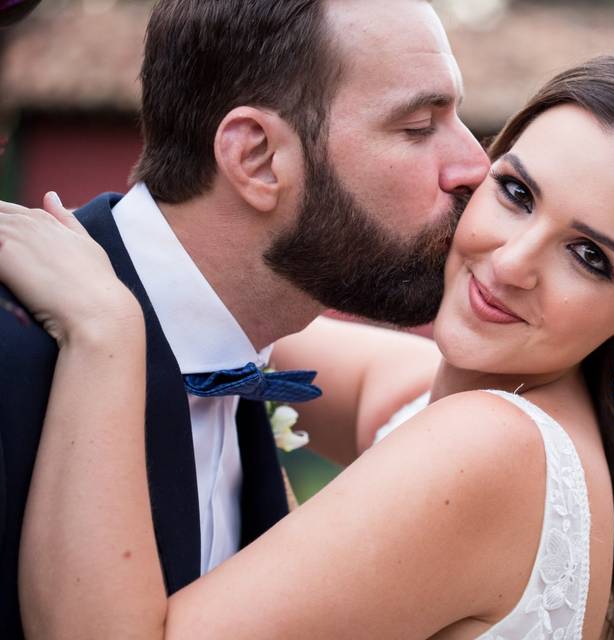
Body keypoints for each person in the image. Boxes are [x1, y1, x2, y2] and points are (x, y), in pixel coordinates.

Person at [0, 38, 614, 639]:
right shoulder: (493, 407)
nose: (511, 262)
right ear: (482, 167)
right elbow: (228, 312)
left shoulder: (490, 449)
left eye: (589, 256)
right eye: (516, 192)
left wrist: (104, 333)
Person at [0, 0, 488, 635]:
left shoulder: (245, 348)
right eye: (419, 126)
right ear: (257, 157)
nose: (476, 166)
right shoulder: (15, 354)